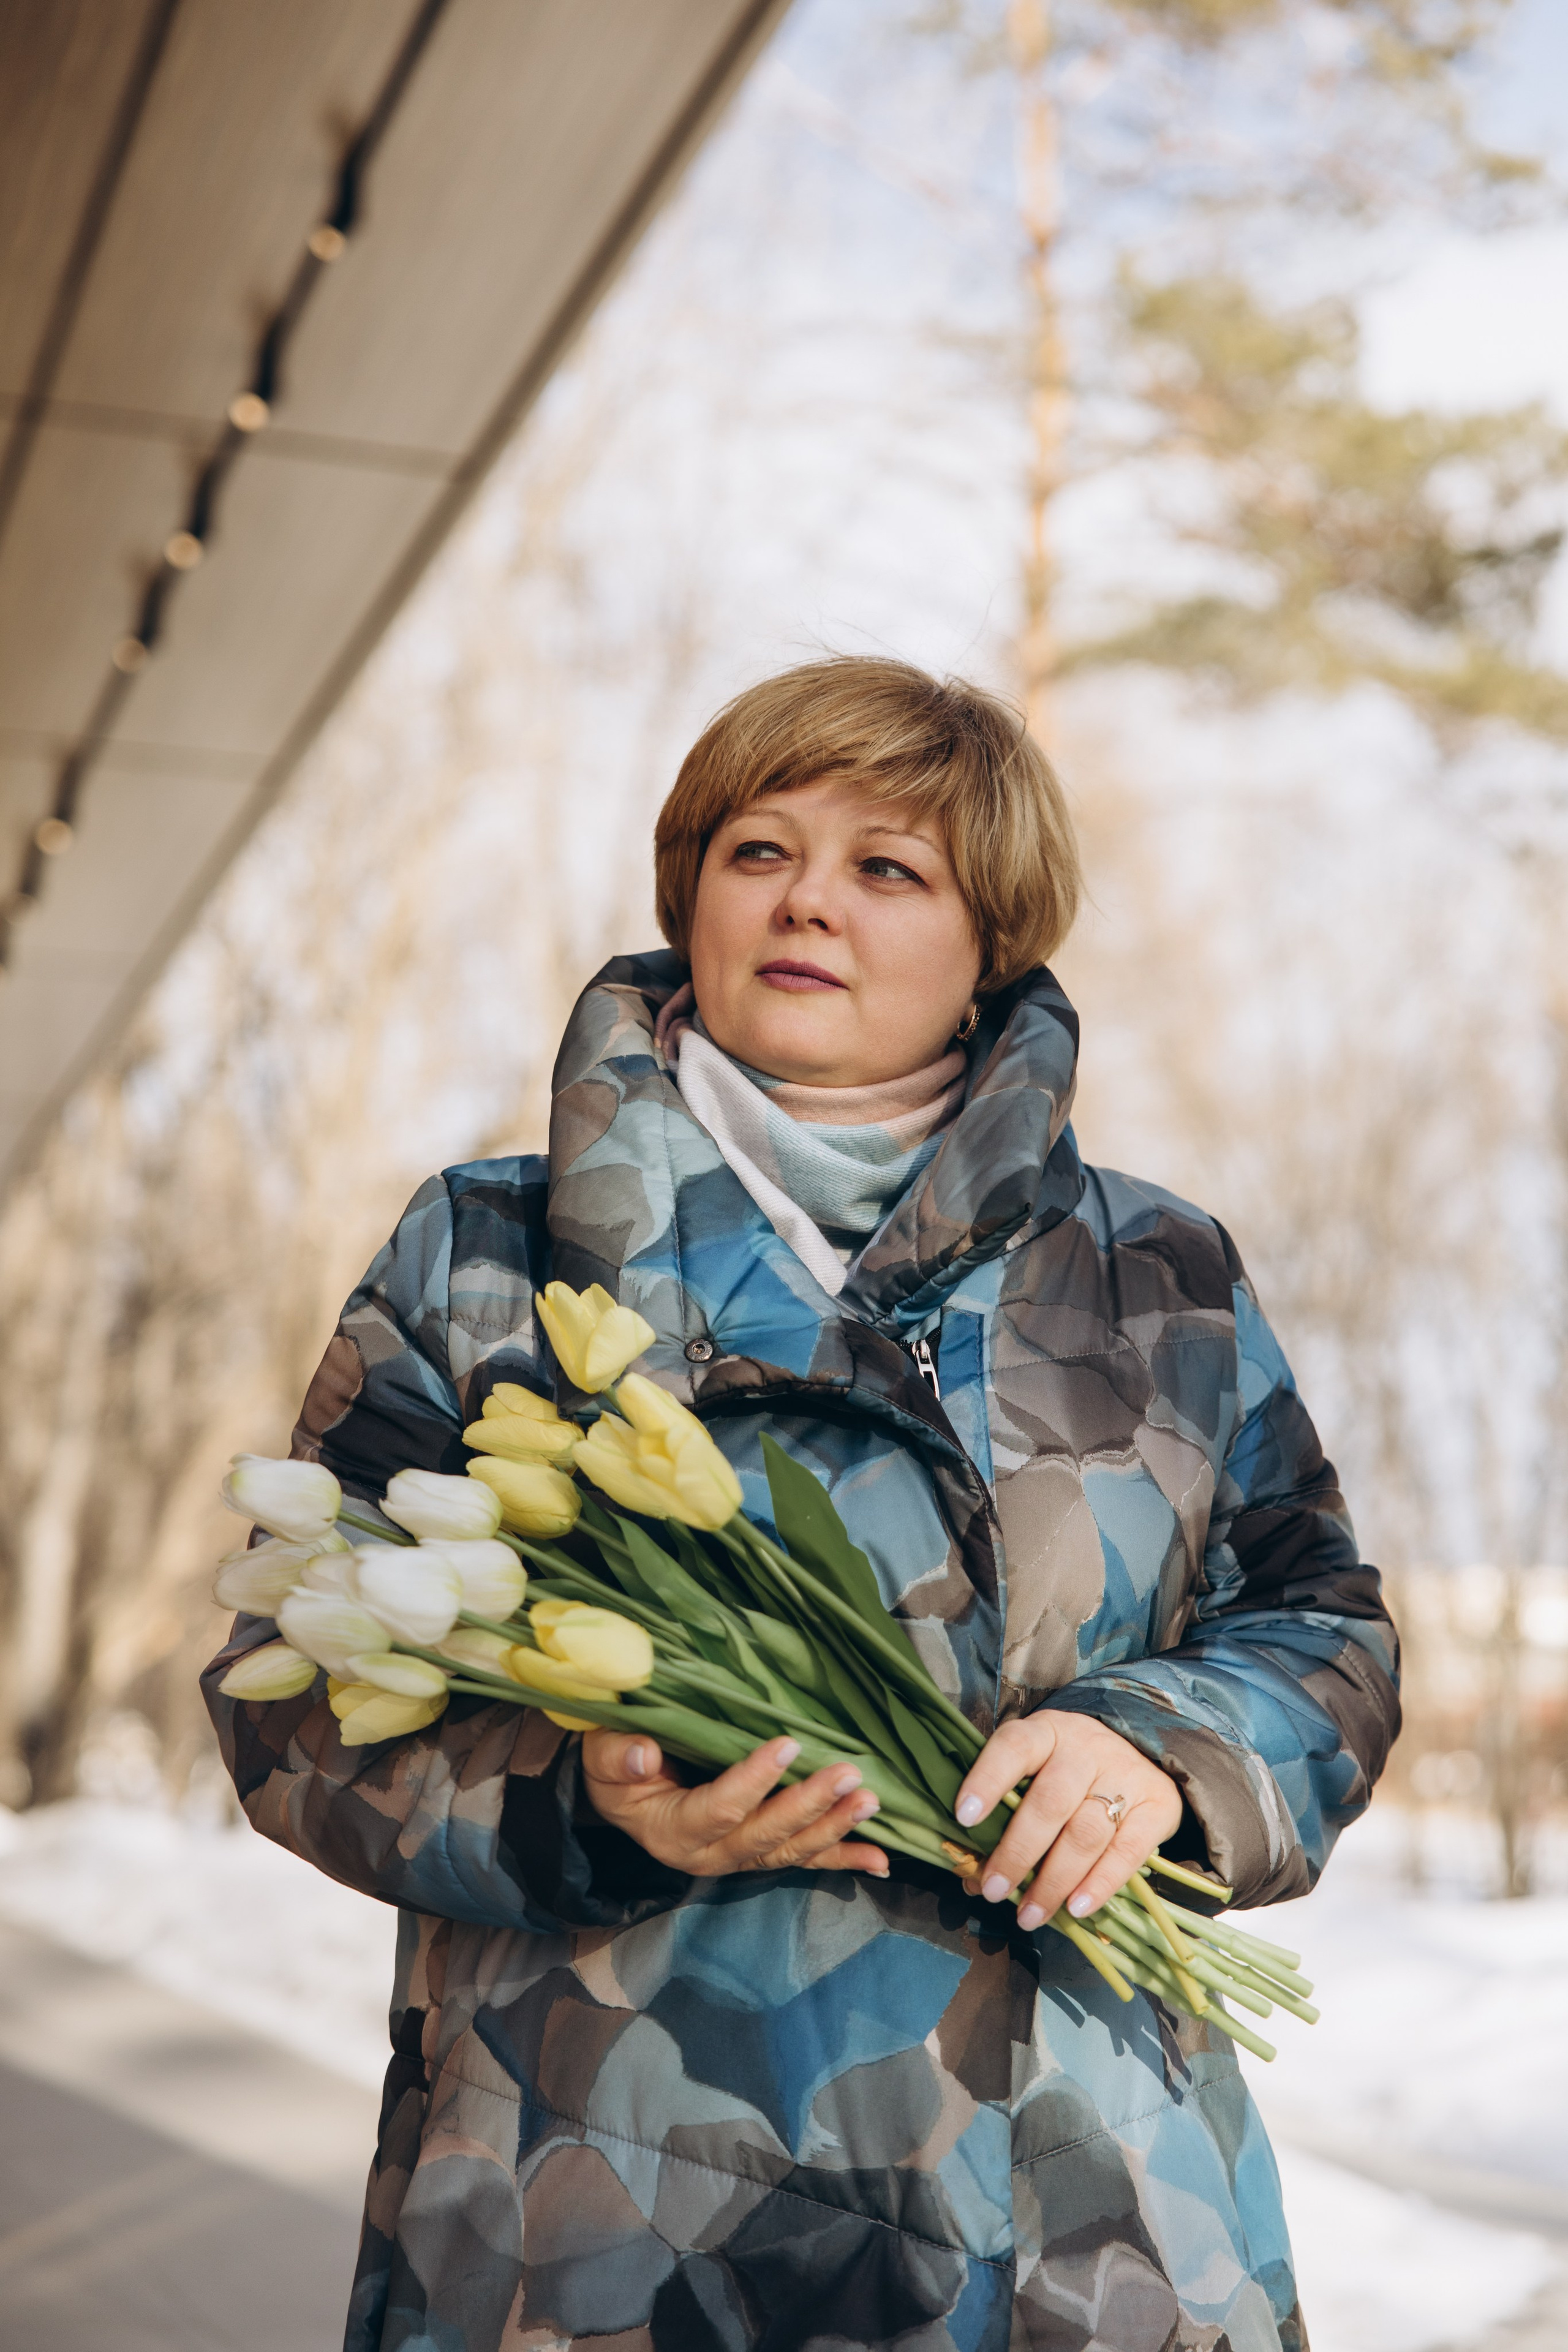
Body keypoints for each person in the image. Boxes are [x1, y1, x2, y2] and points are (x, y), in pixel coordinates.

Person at [204, 655, 1399, 2352]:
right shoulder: (486, 1254)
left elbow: (1327, 1635)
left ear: (992, 942)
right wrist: (588, 1802)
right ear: (689, 891)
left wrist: (1162, 1749)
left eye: (886, 868)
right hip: (594, 2215)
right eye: (757, 850)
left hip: (1078, 2218)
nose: (806, 902)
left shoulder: (1150, 1279)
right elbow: (297, 1679)